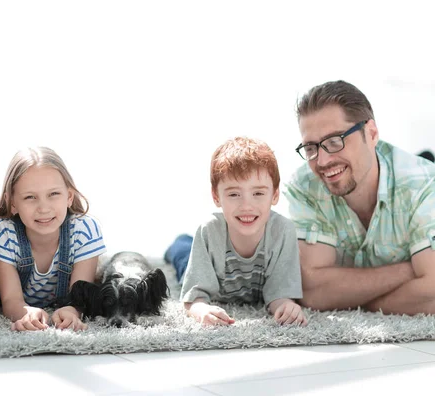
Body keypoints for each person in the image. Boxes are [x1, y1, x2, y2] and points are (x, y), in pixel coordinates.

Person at [285, 80, 435, 315]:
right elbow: (312, 290)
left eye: (335, 141)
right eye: (311, 148)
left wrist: (356, 301)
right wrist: (409, 270)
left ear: (372, 133)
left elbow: (431, 290)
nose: (322, 161)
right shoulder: (304, 186)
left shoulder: (424, 183)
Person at [180, 137, 307, 326]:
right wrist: (202, 310)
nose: (246, 205)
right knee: (181, 258)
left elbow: (279, 294)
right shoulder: (208, 231)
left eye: (258, 193)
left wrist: (287, 306)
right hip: (201, 255)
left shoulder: (283, 231)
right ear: (216, 196)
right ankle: (179, 243)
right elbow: (193, 298)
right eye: (233, 194)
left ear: (274, 195)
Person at [0, 147, 106, 331]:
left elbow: (80, 297)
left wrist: (72, 311)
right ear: (12, 203)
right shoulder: (3, 232)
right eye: (30, 197)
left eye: (53, 194)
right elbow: (11, 300)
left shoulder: (85, 230)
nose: (43, 208)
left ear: (69, 196)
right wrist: (25, 313)